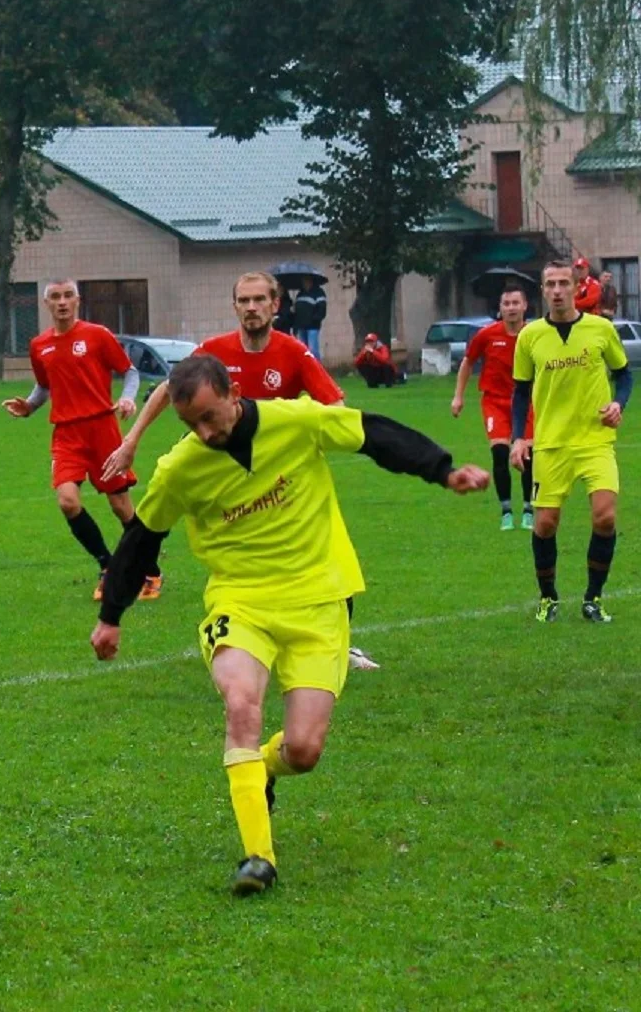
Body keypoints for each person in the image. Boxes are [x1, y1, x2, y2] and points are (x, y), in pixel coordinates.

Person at [89, 354, 487, 895]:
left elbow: (372, 434)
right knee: (241, 704)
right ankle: (258, 856)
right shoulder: (181, 467)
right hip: (241, 601)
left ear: (232, 392)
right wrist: (111, 616)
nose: (205, 433)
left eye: (210, 416)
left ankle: (266, 771)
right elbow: (142, 539)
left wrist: (443, 469)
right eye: (191, 425)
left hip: (318, 600)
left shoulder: (295, 421)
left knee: (304, 749)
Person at [103, 272, 381, 672]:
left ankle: (334, 641)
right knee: (230, 562)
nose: (251, 308)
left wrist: (320, 437)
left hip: (281, 478)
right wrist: (131, 442)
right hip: (224, 478)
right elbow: (169, 388)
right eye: (243, 301)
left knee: (325, 557)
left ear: (275, 305)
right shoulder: (213, 352)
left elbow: (334, 404)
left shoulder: (294, 352)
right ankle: (241, 640)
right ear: (235, 306)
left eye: (259, 300)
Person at [2, 279, 155, 602]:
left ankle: (150, 570)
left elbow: (129, 372)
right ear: (46, 304)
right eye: (55, 296)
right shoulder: (39, 345)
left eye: (68, 295)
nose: (62, 302)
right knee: (68, 501)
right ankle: (107, 566)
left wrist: (128, 399)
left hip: (102, 430)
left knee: (120, 506)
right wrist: (29, 406)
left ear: (77, 301)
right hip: (67, 434)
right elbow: (45, 386)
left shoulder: (97, 335)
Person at [511, 260, 632, 623]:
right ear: (543, 290)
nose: (558, 290)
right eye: (551, 284)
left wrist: (617, 403)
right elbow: (520, 392)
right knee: (545, 524)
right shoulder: (530, 337)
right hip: (551, 445)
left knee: (605, 517)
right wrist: (519, 438)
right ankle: (548, 598)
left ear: (576, 287)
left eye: (565, 282)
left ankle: (593, 599)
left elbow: (624, 375)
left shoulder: (600, 328)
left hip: (595, 441)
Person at [451, 287, 536, 530]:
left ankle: (528, 509)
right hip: (495, 402)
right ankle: (506, 511)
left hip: (527, 401)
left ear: (524, 306)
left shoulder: (534, 334)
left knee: (528, 457)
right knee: (499, 453)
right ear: (500, 308)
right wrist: (458, 396)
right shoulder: (486, 335)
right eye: (506, 303)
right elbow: (468, 362)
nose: (510, 307)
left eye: (515, 303)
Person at [291, 276, 327, 359]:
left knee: (313, 350)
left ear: (311, 281)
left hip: (312, 326)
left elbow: (322, 309)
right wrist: (295, 326)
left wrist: (314, 320)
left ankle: (317, 369)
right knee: (303, 350)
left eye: (306, 280)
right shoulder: (300, 294)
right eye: (303, 281)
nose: (304, 283)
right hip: (301, 326)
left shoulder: (319, 293)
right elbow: (297, 311)